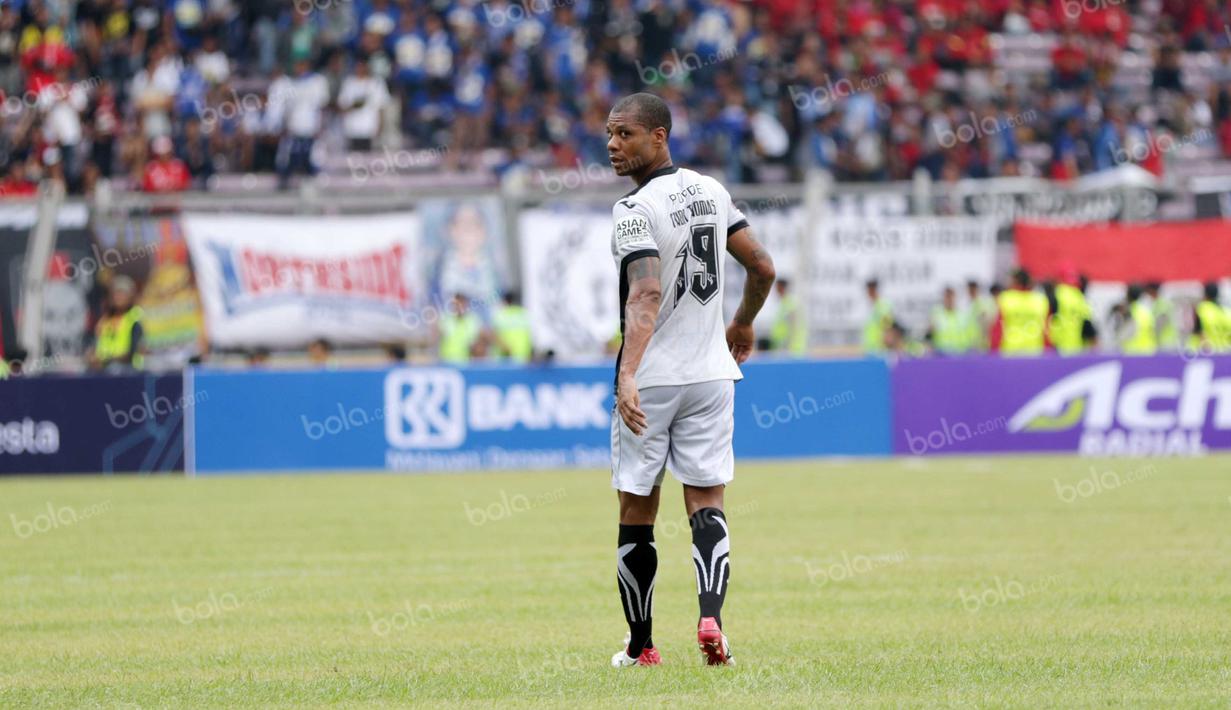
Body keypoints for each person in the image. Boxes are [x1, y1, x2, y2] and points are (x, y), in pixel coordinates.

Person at [605, 93, 775, 668]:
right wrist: (743, 322)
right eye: (610, 134)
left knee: (637, 508)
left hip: (653, 379)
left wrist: (628, 374)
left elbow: (647, 291)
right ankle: (712, 621)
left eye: (625, 133)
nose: (613, 145)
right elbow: (763, 266)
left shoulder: (634, 210)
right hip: (711, 374)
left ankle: (641, 646)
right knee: (706, 499)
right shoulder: (711, 191)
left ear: (659, 137)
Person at [89, 275, 144, 372]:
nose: (118, 297)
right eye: (116, 293)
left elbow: (132, 352)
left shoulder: (135, 317)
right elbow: (97, 345)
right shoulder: (105, 320)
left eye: (122, 293)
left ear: (131, 296)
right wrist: (92, 356)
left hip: (128, 369)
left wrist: (106, 360)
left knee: (115, 368)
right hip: (104, 368)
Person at [992, 268, 1050, 355]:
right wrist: (1047, 349)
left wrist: (994, 349)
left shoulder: (1005, 298)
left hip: (1011, 350)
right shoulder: (1041, 300)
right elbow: (1046, 328)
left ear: (1016, 281)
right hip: (1034, 350)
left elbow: (998, 327)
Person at [1047, 269, 1096, 355]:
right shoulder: (1079, 298)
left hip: (1055, 348)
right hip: (1076, 348)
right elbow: (1087, 326)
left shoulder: (1055, 295)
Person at [438, 293, 483, 364]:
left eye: (462, 304)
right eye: (457, 304)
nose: (459, 307)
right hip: (447, 361)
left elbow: (478, 343)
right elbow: (437, 338)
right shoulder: (446, 320)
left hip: (466, 362)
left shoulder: (473, 320)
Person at [927, 286, 972, 354]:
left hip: (961, 352)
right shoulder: (937, 314)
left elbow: (970, 334)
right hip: (941, 352)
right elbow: (930, 333)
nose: (950, 300)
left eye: (951, 297)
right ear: (944, 298)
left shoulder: (962, 315)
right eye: (947, 297)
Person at [491, 291, 533, 363]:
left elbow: (494, 335)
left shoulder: (500, 314)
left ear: (504, 301)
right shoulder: (524, 313)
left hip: (504, 358)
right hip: (523, 357)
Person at [1190, 282, 1231, 354]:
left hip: (1203, 353)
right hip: (1224, 354)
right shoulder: (1226, 312)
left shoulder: (1201, 308)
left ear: (1205, 294)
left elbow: (1198, 331)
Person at [768, 279, 806, 356]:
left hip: (791, 350)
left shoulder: (790, 303)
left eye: (777, 288)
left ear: (781, 288)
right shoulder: (785, 303)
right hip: (787, 349)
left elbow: (794, 326)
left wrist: (787, 347)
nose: (775, 291)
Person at [1121, 283, 1157, 355]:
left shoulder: (1128, 312)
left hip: (1132, 352)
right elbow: (1153, 331)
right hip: (1148, 351)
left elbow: (1124, 335)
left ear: (1128, 296)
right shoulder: (1146, 311)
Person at [1143, 281, 1179, 351]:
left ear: (1152, 291)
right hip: (1165, 343)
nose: (1148, 295)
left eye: (1148, 292)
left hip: (1166, 344)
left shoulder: (1162, 305)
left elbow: (1159, 325)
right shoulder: (1158, 304)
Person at [964, 280, 997, 352]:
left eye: (972, 290)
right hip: (970, 343)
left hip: (980, 344)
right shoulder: (968, 304)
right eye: (969, 290)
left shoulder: (982, 304)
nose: (971, 292)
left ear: (976, 290)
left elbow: (987, 321)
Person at [862, 279, 893, 354]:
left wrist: (887, 338)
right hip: (870, 346)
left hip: (879, 347)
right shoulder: (872, 305)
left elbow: (887, 323)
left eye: (869, 290)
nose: (868, 293)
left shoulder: (882, 304)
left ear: (873, 290)